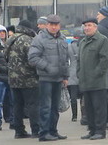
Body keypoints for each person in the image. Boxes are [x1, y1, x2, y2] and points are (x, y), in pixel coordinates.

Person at [28, 14, 70, 142]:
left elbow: (65, 59)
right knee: (45, 107)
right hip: (45, 79)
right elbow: (32, 58)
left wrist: (65, 76)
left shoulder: (62, 39)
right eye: (51, 24)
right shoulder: (39, 39)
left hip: (58, 79)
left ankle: (53, 131)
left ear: (59, 26)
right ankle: (44, 133)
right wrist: (47, 67)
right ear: (47, 25)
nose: (53, 27)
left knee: (55, 107)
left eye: (56, 25)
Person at [5, 20, 39, 139]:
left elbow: (5, 57)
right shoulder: (28, 40)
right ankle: (36, 130)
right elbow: (32, 60)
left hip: (13, 79)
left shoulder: (10, 39)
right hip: (28, 79)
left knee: (17, 105)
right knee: (32, 105)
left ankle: (19, 131)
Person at [78, 18, 108, 140]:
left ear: (95, 27)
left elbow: (104, 60)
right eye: (85, 25)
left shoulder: (102, 40)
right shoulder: (82, 42)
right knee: (89, 108)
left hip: (98, 82)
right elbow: (79, 60)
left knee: (99, 108)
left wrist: (95, 74)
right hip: (85, 82)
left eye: (89, 25)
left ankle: (100, 131)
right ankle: (92, 130)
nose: (86, 28)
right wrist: (79, 73)